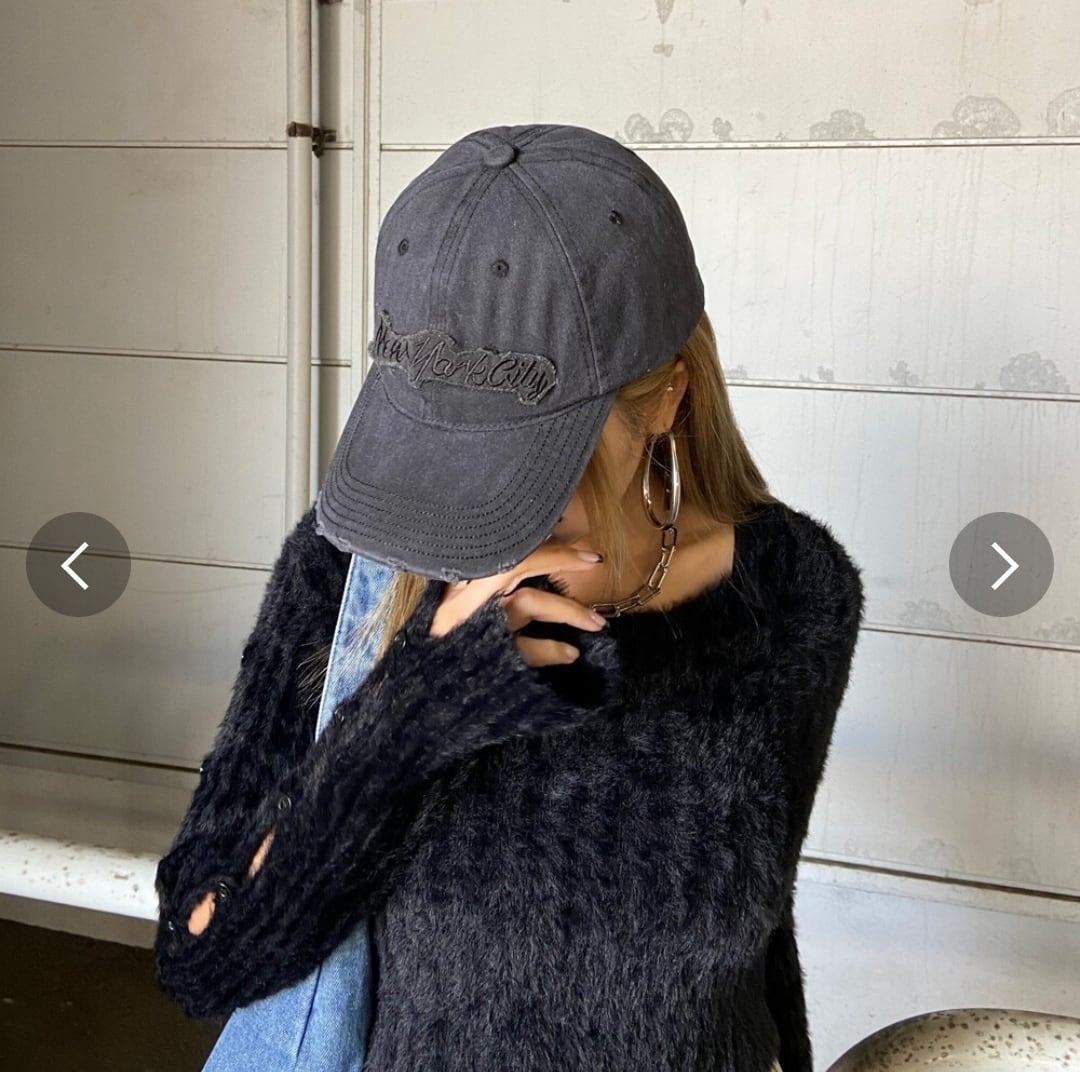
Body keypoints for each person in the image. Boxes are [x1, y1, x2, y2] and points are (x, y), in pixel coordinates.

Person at [153, 123, 865, 1072]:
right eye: (437, 445)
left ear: (666, 400)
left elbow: (754, 929)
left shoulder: (793, 590)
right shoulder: (349, 570)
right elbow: (202, 958)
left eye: (521, 462)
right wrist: (416, 713)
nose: (466, 506)